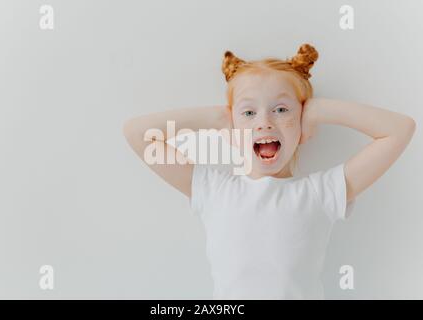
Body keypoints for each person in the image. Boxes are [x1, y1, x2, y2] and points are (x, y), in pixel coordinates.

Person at [123, 43, 416, 299]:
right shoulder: (213, 190)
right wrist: (217, 119)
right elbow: (137, 133)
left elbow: (400, 130)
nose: (264, 123)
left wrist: (318, 111)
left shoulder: (321, 193)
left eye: (281, 110)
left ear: (301, 123)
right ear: (233, 124)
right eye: (249, 112)